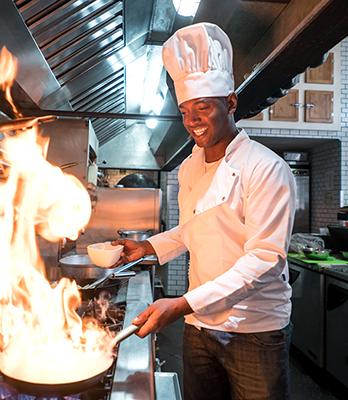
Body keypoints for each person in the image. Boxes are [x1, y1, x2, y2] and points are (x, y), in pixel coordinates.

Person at [112, 22, 297, 400]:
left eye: (204, 107)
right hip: (199, 326)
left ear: (230, 103)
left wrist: (181, 304)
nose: (192, 120)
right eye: (185, 110)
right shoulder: (190, 166)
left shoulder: (266, 167)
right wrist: (146, 248)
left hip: (255, 330)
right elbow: (189, 230)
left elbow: (265, 259)